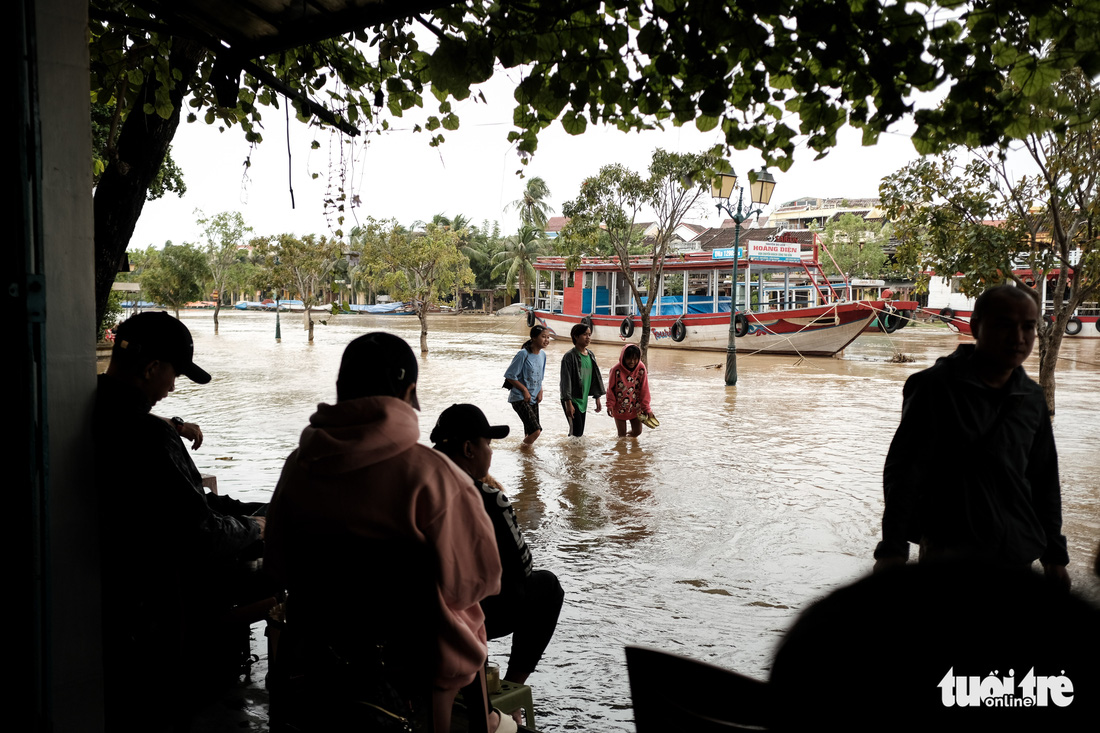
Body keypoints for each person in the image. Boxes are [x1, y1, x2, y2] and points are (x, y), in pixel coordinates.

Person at [265, 333, 510, 733]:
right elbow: (477, 583)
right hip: (416, 667)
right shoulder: (436, 478)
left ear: (342, 390)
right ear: (410, 393)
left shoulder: (298, 466)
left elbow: (277, 566)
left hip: (319, 659)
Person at [93, 311, 268, 732]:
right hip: (154, 610)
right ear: (151, 368)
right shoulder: (148, 436)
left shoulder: (89, 405)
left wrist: (247, 512)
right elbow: (201, 533)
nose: (172, 389)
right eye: (173, 376)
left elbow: (192, 506)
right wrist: (257, 527)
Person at [872, 285, 1070, 588]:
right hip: (949, 551)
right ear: (976, 327)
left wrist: (1055, 557)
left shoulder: (1031, 398)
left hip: (1017, 552)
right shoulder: (934, 388)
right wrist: (893, 550)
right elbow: (904, 473)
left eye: (1028, 327)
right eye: (1004, 325)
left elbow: (1044, 479)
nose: (1018, 338)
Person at [431, 404, 565, 693]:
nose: (491, 453)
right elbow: (523, 566)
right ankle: (511, 687)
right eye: (488, 445)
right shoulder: (489, 498)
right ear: (469, 449)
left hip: (415, 610)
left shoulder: (413, 487)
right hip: (468, 614)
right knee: (548, 587)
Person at [504, 325, 550, 445]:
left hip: (533, 398)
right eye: (543, 337)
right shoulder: (523, 354)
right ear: (534, 338)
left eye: (548, 337)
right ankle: (521, 450)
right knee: (536, 431)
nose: (546, 340)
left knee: (530, 432)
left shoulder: (543, 355)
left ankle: (526, 460)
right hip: (519, 398)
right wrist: (524, 389)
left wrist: (540, 390)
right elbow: (510, 375)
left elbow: (540, 376)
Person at [559, 323, 605, 436]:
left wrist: (597, 397)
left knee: (579, 433)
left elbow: (595, 378)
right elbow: (565, 381)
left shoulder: (590, 355)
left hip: (583, 399)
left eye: (589, 334)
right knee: (576, 433)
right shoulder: (569, 357)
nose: (588, 337)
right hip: (572, 399)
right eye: (585, 334)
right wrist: (568, 403)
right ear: (576, 336)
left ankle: (575, 453)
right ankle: (571, 453)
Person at [606, 344, 652, 438]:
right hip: (619, 407)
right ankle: (623, 450)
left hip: (636, 406)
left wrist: (646, 408)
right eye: (629, 359)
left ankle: (630, 445)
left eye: (635, 359)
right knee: (621, 435)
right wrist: (610, 404)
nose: (632, 362)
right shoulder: (615, 370)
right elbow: (610, 388)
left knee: (637, 432)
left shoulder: (641, 368)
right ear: (623, 357)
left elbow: (644, 389)